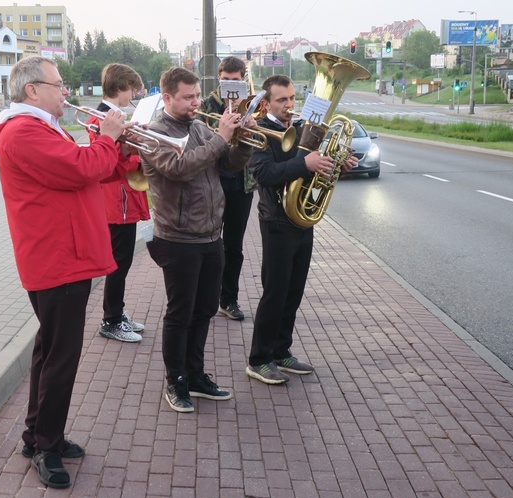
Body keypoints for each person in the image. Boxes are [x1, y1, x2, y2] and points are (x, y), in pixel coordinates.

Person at [0, 56, 132, 488]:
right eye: (59, 84)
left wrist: (121, 152)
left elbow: (87, 171)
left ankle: (36, 436)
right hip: (57, 259)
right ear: (32, 90)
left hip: (63, 255)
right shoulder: (23, 131)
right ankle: (47, 447)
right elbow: (79, 168)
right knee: (61, 358)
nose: (66, 92)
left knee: (50, 350)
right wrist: (107, 138)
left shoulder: (40, 126)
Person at [140, 67, 255, 412]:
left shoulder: (200, 126)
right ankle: (175, 381)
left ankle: (196, 374)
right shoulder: (152, 134)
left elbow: (229, 165)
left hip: (210, 235)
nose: (195, 103)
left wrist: (243, 139)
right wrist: (220, 138)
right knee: (180, 313)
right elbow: (180, 168)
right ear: (167, 98)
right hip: (176, 238)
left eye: (196, 96)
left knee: (204, 309)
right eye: (187, 97)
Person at [246, 74, 358, 385]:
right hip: (276, 220)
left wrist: (337, 165)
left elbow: (317, 169)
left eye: (293, 98)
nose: (289, 105)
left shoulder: (304, 130)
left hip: (301, 220)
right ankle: (259, 359)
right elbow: (264, 174)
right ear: (267, 103)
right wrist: (304, 164)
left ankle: (281, 350)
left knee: (294, 291)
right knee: (275, 292)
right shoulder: (261, 132)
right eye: (282, 100)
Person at [87, 63, 150, 343]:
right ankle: (110, 320)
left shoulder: (115, 115)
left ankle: (117, 313)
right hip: (116, 202)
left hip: (124, 200)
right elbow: (103, 162)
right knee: (117, 264)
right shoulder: (99, 118)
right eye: (131, 89)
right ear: (120, 87)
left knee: (121, 263)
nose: (133, 95)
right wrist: (130, 152)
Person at [199, 56, 252, 321]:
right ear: (219, 78)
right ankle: (207, 296)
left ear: (243, 80)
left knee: (235, 246)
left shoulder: (252, 106)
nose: (231, 83)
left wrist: (250, 125)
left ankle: (228, 299)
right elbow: (200, 140)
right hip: (215, 178)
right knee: (210, 241)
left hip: (242, 182)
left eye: (236, 80)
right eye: (226, 79)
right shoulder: (207, 104)